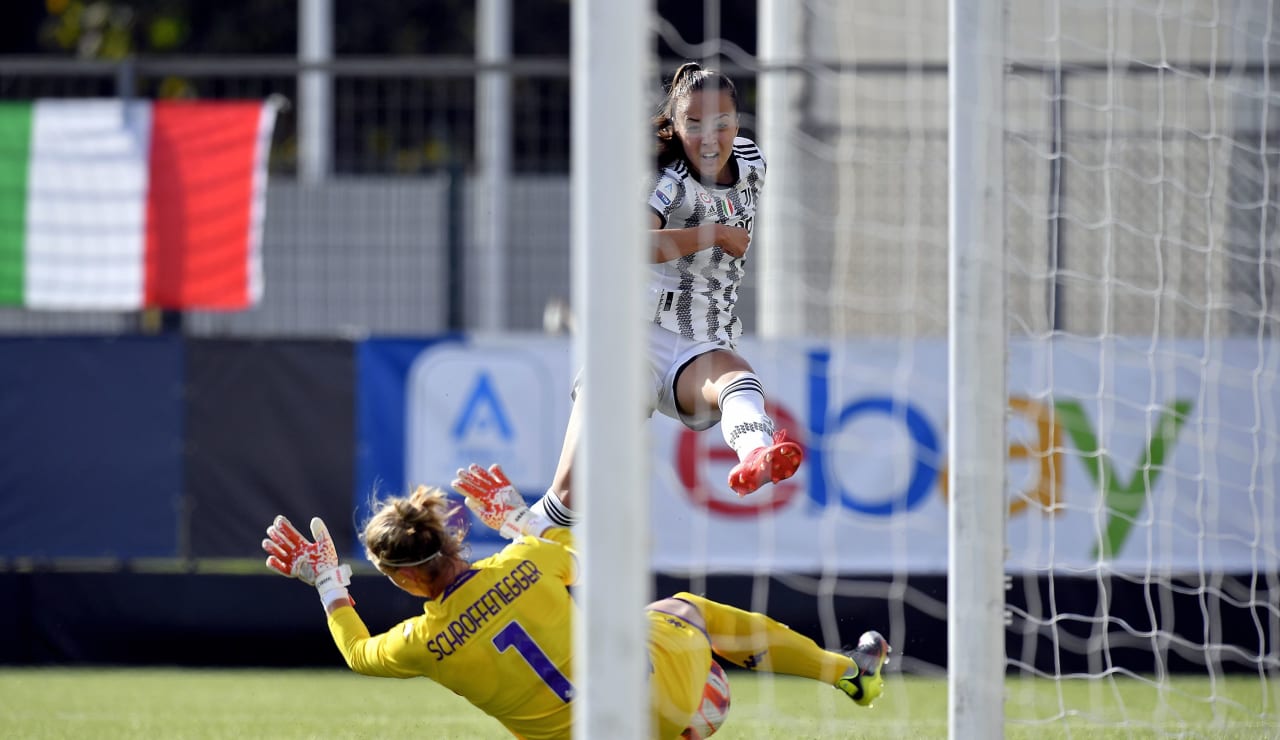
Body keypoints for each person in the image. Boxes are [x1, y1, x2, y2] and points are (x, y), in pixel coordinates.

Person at [262, 463, 891, 740]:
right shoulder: (526, 564)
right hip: (666, 701)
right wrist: (513, 517)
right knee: (680, 610)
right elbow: (573, 549)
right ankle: (850, 675)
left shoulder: (422, 645)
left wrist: (328, 585)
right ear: (450, 537)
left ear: (401, 580)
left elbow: (358, 653)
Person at [531, 62, 801, 529]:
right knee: (571, 496)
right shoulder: (665, 181)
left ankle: (757, 454)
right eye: (693, 124)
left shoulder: (753, 161)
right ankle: (515, 551)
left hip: (701, 341)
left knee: (737, 378)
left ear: (738, 124)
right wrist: (713, 233)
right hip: (633, 340)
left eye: (721, 123)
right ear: (675, 128)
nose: (709, 137)